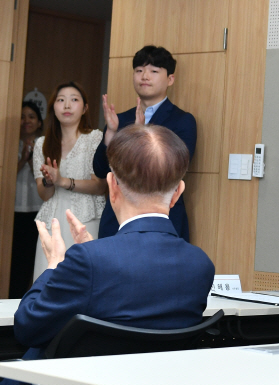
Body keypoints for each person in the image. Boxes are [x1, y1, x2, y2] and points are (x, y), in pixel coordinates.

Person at [1, 124, 215, 385]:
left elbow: (27, 328)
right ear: (178, 192)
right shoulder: (200, 265)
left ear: (112, 185)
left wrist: (55, 265)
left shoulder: (91, 262)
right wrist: (91, 257)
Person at [95, 45, 196, 241]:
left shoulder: (182, 120)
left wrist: (138, 134)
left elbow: (173, 169)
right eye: (139, 70)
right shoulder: (120, 119)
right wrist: (112, 132)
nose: (144, 76)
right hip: (118, 218)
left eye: (154, 71)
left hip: (163, 217)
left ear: (170, 79)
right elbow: (100, 170)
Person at [32, 82, 106, 281]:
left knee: (81, 279)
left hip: (86, 220)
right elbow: (44, 194)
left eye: (74, 100)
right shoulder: (42, 143)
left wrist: (63, 181)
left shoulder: (95, 138)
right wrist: (49, 181)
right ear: (53, 107)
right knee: (48, 278)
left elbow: (100, 186)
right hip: (52, 220)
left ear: (85, 108)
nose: (67, 105)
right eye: (60, 100)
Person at [10, 102, 44, 298]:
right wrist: (22, 158)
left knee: (30, 260)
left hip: (36, 210)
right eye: (22, 116)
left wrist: (32, 162)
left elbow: (45, 181)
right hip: (13, 209)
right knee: (13, 259)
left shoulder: (44, 144)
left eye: (31, 116)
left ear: (39, 122)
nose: (26, 121)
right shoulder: (10, 142)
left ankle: (25, 297)